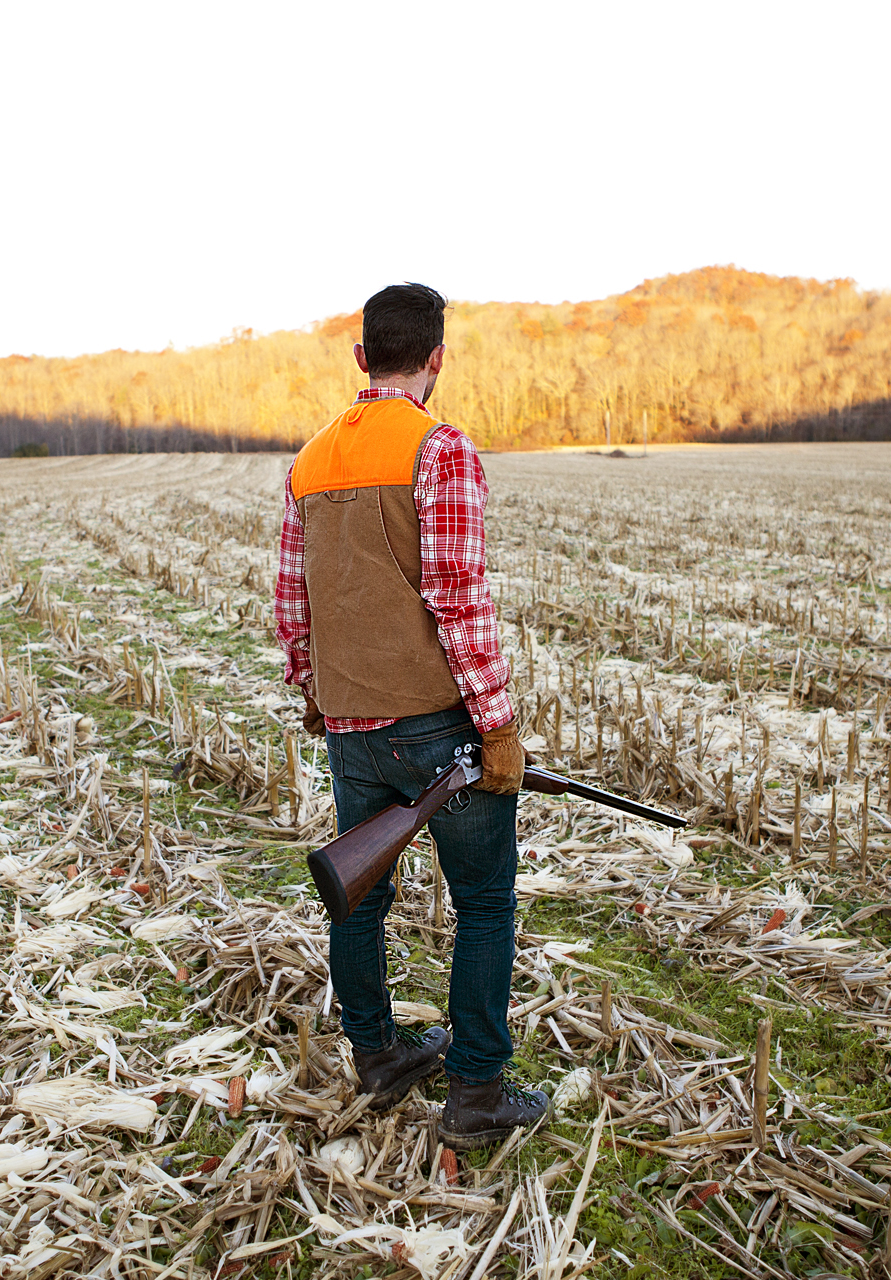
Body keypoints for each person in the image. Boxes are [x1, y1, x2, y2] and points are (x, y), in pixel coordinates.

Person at [273, 282, 550, 1150]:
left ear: (362, 358)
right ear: (436, 358)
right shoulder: (441, 450)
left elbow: (294, 604)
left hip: (353, 727)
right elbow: (459, 599)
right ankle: (474, 1092)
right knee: (484, 902)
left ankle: (380, 1056)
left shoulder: (309, 462)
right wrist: (497, 727)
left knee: (358, 906)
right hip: (440, 729)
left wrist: (320, 698)